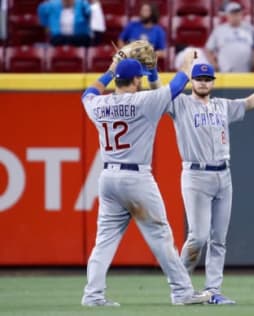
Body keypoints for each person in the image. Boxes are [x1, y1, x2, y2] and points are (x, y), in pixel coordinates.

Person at [80, 51, 210, 306]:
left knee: (104, 240)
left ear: (117, 80)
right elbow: (177, 85)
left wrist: (109, 69)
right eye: (139, 77)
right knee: (160, 236)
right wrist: (188, 62)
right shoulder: (144, 101)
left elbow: (88, 93)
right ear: (137, 80)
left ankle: (92, 295)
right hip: (136, 178)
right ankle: (182, 292)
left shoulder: (100, 104)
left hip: (108, 177)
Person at [166, 63, 254, 304]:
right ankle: (180, 287)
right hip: (196, 175)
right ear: (191, 81)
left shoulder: (222, 105)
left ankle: (213, 291)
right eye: (198, 78)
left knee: (218, 239)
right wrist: (150, 74)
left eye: (207, 78)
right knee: (198, 237)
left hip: (223, 175)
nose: (203, 82)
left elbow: (250, 102)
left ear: (213, 81)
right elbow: (160, 93)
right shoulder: (179, 104)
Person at [205, 1, 254, 72]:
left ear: (241, 14)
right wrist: (214, 65)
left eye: (237, 14)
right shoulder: (219, 30)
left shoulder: (250, 29)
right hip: (225, 72)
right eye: (232, 14)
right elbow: (208, 49)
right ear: (227, 15)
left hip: (246, 72)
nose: (235, 16)